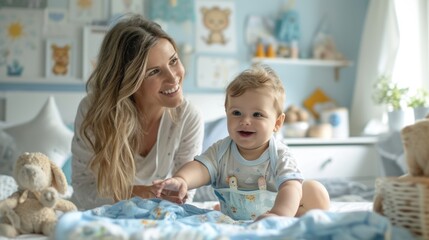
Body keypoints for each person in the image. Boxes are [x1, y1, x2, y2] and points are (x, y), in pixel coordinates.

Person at [153, 64, 330, 221]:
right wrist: (182, 179)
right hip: (234, 215)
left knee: (315, 192)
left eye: (257, 115)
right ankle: (224, 210)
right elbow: (200, 168)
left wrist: (279, 215)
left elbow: (290, 187)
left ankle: (293, 217)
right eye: (236, 113)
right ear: (226, 113)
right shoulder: (221, 150)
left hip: (274, 212)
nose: (245, 120)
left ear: (277, 123)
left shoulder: (280, 155)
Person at [71, 14, 204, 210]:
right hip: (97, 215)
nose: (173, 77)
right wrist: (133, 194)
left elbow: (185, 192)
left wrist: (175, 193)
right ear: (128, 81)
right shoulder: (93, 111)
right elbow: (83, 189)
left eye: (173, 61)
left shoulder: (188, 116)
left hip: (155, 216)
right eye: (154, 72)